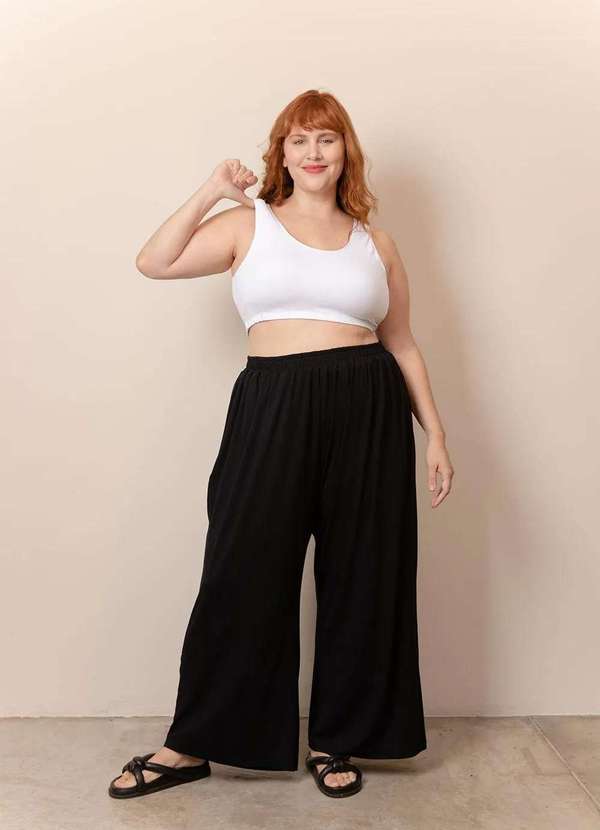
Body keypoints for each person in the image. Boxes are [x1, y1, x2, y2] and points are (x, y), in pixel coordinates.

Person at [108, 88, 454, 801]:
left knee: (364, 573)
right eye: (300, 140)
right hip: (273, 401)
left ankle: (337, 738)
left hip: (368, 404)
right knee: (242, 567)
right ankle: (193, 744)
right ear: (281, 154)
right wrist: (212, 188)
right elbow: (153, 261)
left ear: (346, 152)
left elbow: (401, 342)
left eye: (327, 139)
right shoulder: (249, 223)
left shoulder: (376, 243)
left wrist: (437, 435)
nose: (314, 152)